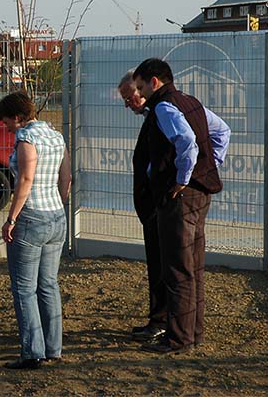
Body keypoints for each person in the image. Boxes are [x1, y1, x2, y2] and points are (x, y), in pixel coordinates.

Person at [132, 58, 230, 354]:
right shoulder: (191, 102)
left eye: (140, 87)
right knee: (193, 267)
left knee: (177, 269)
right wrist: (208, 167)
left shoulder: (164, 107)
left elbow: (187, 142)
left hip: (180, 198)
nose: (140, 94)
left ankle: (178, 339)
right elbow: (222, 131)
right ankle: (193, 333)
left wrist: (183, 178)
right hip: (201, 195)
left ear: (154, 82)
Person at [0, 91, 72, 370]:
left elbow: (25, 179)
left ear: (17, 117)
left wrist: (12, 218)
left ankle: (32, 353)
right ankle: (53, 349)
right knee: (48, 285)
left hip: (31, 218)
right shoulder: (55, 135)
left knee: (24, 288)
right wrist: (58, 204)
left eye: (7, 122)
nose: (6, 128)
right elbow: (67, 177)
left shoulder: (26, 138)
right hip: (56, 216)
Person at [117, 71, 166, 343]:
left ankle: (162, 320)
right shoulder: (151, 117)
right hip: (151, 206)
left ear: (144, 87)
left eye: (130, 97)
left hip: (161, 204)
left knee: (163, 265)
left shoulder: (163, 114)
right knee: (156, 264)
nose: (128, 104)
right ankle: (157, 317)